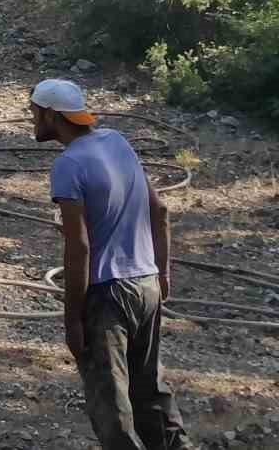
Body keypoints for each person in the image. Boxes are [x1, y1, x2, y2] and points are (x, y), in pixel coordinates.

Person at [32, 79, 194, 450]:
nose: (32, 121)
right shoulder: (117, 142)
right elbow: (161, 210)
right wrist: (162, 272)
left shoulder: (68, 165)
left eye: (34, 113)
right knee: (151, 389)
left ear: (52, 115)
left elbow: (81, 247)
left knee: (111, 406)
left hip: (108, 295)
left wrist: (72, 318)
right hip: (147, 282)